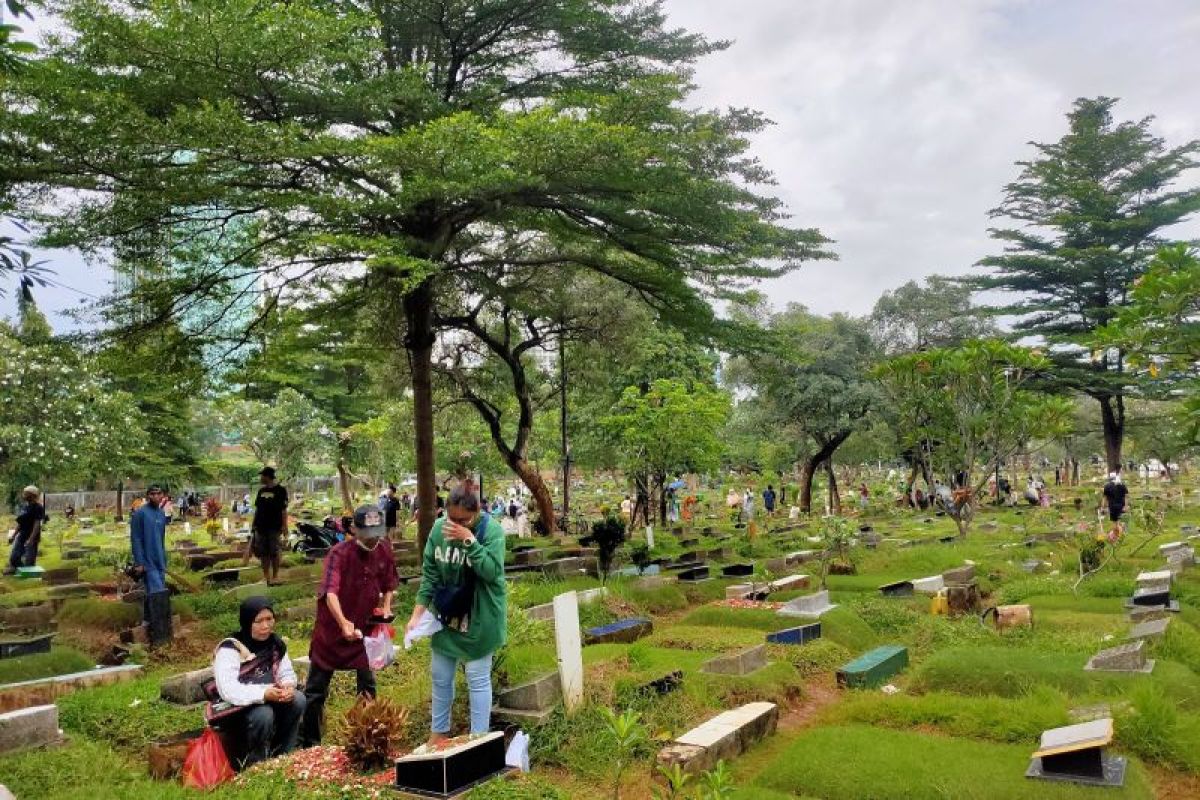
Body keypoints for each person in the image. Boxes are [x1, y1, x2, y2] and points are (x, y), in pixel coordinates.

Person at [406, 485, 507, 743]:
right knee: (440, 675)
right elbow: (430, 574)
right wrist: (417, 615)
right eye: (452, 518)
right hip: (448, 616)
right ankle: (438, 733)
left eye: (464, 520)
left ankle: (478, 738)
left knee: (477, 677)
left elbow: (491, 572)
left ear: (477, 513)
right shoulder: (439, 530)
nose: (456, 524)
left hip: (480, 618)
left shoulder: (491, 532)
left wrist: (470, 540)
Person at [301, 505, 396, 746]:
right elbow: (330, 592)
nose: (373, 538)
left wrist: (385, 607)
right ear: (354, 528)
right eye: (368, 532)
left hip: (364, 628)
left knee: (367, 684)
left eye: (377, 531)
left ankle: (367, 738)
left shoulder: (384, 548)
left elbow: (389, 583)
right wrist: (343, 622)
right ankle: (311, 742)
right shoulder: (339, 554)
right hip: (332, 629)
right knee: (316, 688)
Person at [212, 597, 305, 769]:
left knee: (298, 700)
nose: (266, 626)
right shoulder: (230, 649)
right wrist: (263, 694)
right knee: (263, 714)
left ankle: (283, 755)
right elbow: (228, 689)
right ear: (247, 622)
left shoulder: (276, 644)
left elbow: (286, 673)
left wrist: (288, 686)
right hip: (237, 706)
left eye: (269, 619)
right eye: (259, 621)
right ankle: (256, 763)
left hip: (269, 698)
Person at [130, 485, 172, 645]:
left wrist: (164, 560)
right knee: (158, 593)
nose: (156, 496)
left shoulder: (161, 514)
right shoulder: (140, 514)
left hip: (159, 560)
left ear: (163, 495)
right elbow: (136, 539)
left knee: (152, 594)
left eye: (159, 493)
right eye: (152, 494)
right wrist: (139, 562)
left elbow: (160, 539)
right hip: (147, 562)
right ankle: (161, 636)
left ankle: (146, 623)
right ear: (147, 496)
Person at [251, 467, 289, 586]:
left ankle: (275, 576)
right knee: (263, 552)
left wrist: (285, 525)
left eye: (262, 475)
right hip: (260, 526)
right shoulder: (261, 491)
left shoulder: (281, 490)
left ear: (268, 476)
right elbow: (258, 509)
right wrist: (253, 523)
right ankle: (265, 576)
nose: (261, 478)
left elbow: (284, 510)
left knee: (274, 551)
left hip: (274, 526)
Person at [5, 486, 45, 574]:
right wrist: (13, 536)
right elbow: (20, 523)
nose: (23, 495)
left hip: (32, 537)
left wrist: (31, 539)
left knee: (29, 562)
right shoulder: (25, 507)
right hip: (21, 536)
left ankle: (28, 573)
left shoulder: (38, 507)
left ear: (32, 495)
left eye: (25, 493)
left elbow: (37, 524)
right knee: (14, 558)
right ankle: (19, 570)